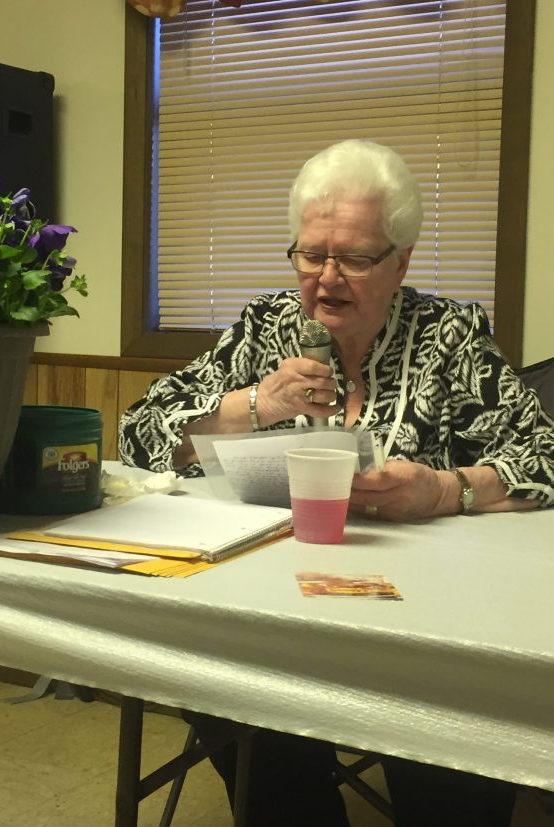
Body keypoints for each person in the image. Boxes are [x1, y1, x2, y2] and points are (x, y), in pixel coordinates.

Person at [119, 140, 554, 826]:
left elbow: (541, 452)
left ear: (401, 260)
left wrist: (445, 489)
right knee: (225, 691)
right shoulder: (265, 327)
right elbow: (138, 432)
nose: (327, 277)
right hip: (269, 612)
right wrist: (252, 403)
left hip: (422, 625)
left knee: (450, 763)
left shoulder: (451, 337)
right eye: (310, 254)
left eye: (353, 258)